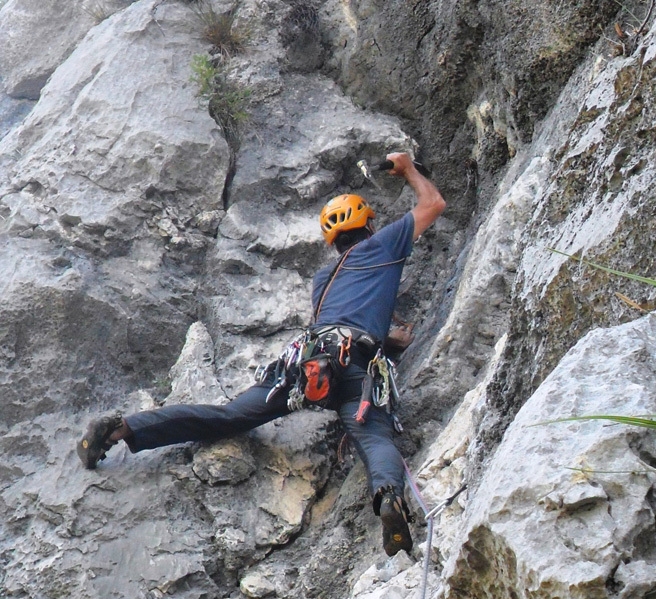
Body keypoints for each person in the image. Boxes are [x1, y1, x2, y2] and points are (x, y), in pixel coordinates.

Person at [76, 152, 446, 557]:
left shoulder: (325, 279)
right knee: (372, 435)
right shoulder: (382, 245)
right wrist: (408, 168)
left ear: (332, 240)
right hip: (353, 364)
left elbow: (349, 314)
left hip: (304, 364)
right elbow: (433, 205)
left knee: (229, 416)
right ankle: (389, 495)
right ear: (370, 224)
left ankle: (122, 428)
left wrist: (389, 340)